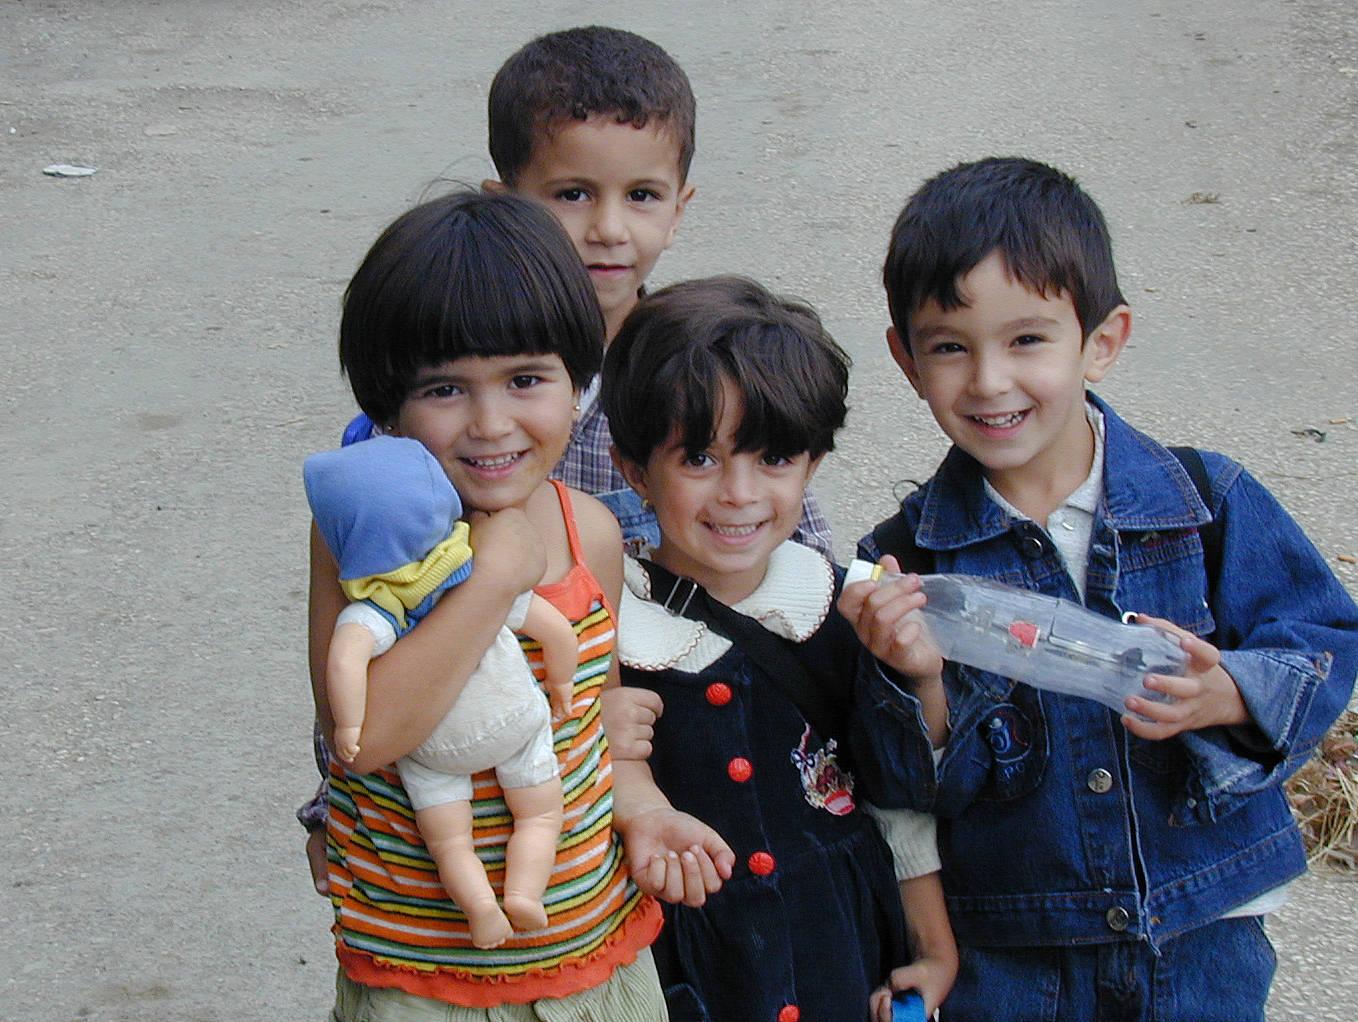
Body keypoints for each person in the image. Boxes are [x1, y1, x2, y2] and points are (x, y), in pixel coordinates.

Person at [303, 22, 830, 888]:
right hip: (493, 800)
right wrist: (331, 805)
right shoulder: (412, 448)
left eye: (643, 197)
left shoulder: (715, 373)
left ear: (682, 205)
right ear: (506, 197)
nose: (608, 231)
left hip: (698, 768)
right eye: (573, 194)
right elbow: (363, 643)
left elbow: (799, 577)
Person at [844, 156, 1358, 1022]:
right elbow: (904, 788)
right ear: (905, 358)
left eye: (1027, 340)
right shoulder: (906, 564)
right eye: (950, 347)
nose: (990, 381)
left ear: (1104, 340)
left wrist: (1232, 689)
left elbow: (1324, 637)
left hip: (1204, 932)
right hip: (1015, 954)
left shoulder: (1204, 503)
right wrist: (918, 679)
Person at [310, 188, 728, 1018]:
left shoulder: (592, 536)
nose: (491, 423)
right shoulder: (361, 544)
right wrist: (495, 579)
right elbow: (363, 736)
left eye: (526, 379)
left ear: (579, 384)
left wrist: (645, 813)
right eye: (444, 389)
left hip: (595, 960)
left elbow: (595, 729)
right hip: (420, 981)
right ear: (386, 405)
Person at [601, 276, 958, 1022]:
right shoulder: (605, 634)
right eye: (698, 459)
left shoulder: (845, 608)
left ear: (813, 464)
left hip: (838, 954)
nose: (739, 493)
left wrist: (933, 949)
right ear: (634, 470)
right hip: (684, 974)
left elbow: (898, 801)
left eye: (773, 459)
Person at [304, 434, 578, 947]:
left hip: (431, 750)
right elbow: (555, 629)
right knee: (540, 814)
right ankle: (524, 892)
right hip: (513, 722)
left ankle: (480, 908)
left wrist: (350, 726)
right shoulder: (465, 568)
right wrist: (560, 683)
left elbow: (345, 659)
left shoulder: (381, 607)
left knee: (450, 843)